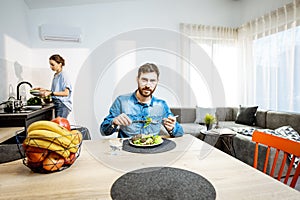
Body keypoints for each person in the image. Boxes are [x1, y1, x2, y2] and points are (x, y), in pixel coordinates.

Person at [100, 63, 184, 138]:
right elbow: (103, 131)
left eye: (152, 81)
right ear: (137, 79)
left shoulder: (161, 105)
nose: (148, 85)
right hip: (127, 151)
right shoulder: (121, 101)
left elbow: (180, 133)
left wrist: (172, 128)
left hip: (152, 150)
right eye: (144, 80)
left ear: (157, 82)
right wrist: (113, 122)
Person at [36, 54, 72, 118]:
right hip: (58, 103)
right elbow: (55, 91)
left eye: (52, 64)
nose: (51, 67)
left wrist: (51, 93)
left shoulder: (63, 75)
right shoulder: (56, 75)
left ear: (60, 64)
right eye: (50, 64)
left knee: (59, 126)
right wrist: (44, 90)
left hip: (62, 105)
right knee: (58, 126)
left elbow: (66, 93)